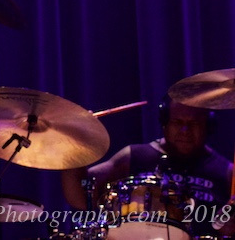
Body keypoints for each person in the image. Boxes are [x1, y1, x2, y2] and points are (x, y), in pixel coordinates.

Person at [61, 96, 234, 236]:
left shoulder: (226, 172)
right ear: (164, 121)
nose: (185, 130)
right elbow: (80, 197)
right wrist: (74, 143)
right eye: (177, 122)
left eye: (194, 123)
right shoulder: (136, 157)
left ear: (209, 126)